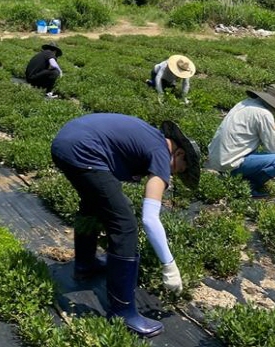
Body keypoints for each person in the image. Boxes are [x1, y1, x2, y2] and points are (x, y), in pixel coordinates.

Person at [51, 113, 201, 338]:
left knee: (92, 203)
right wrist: (169, 265)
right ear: (178, 153)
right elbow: (150, 219)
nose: (172, 174)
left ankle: (85, 264)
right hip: (83, 150)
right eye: (178, 169)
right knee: (125, 225)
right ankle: (123, 313)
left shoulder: (152, 137)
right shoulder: (161, 152)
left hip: (66, 142)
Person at [207, 84, 275, 198]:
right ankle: (248, 185)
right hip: (229, 163)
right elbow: (272, 147)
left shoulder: (244, 103)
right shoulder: (264, 114)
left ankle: (233, 176)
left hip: (215, 159)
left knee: (253, 149)